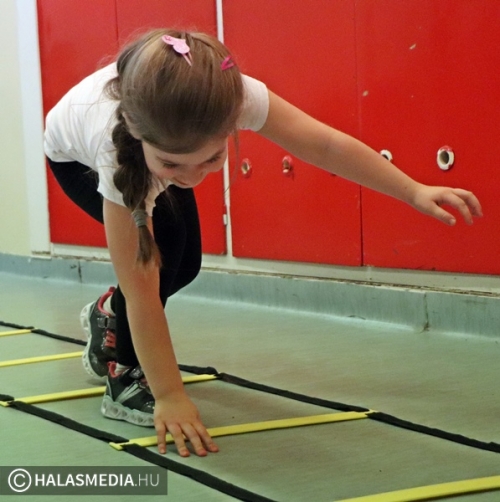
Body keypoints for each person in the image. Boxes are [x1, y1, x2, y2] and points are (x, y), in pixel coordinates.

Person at [43, 28, 482, 458]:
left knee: (185, 264)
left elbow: (325, 145)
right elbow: (140, 288)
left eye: (213, 159)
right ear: (144, 141)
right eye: (175, 165)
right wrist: (171, 395)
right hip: (75, 158)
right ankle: (122, 372)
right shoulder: (117, 153)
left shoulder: (231, 98)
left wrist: (412, 190)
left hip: (152, 152)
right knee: (159, 262)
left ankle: (106, 315)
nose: (193, 178)